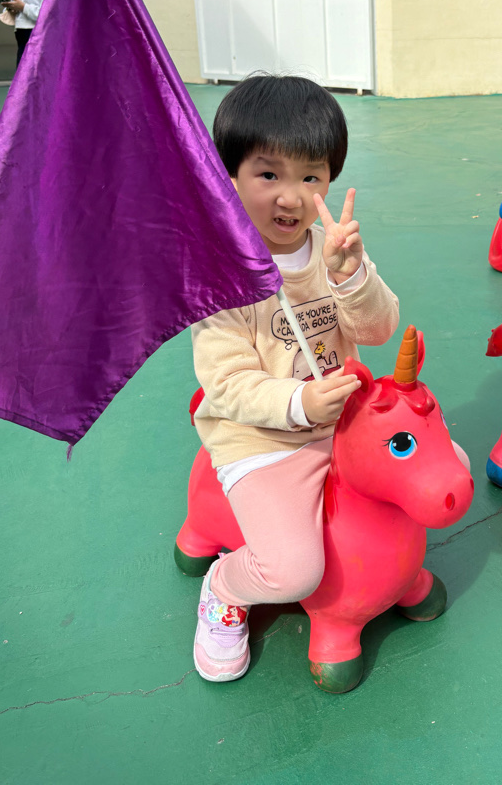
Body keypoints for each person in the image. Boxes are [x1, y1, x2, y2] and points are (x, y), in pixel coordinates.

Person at [190, 75, 400, 682]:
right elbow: (226, 383)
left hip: (343, 423)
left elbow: (379, 329)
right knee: (293, 571)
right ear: (230, 176)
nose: (291, 197)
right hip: (263, 440)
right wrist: (300, 402)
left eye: (311, 177)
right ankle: (225, 586)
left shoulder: (334, 247)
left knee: (438, 465)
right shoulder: (220, 273)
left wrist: (351, 276)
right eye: (268, 175)